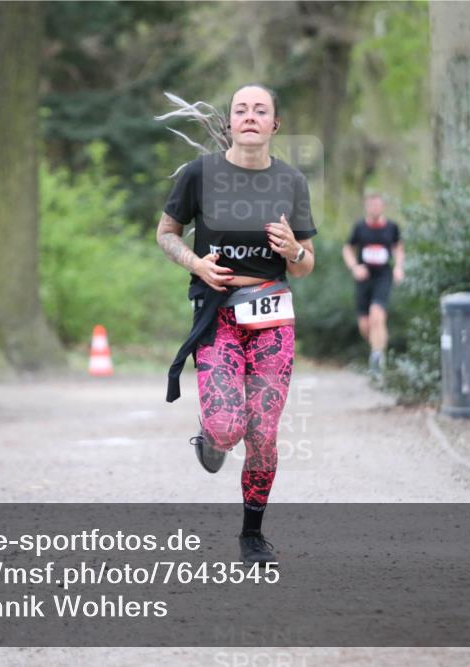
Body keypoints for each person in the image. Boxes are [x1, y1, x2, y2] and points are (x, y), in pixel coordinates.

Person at [155, 84, 316, 565]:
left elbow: (307, 264)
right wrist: (196, 265)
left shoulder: (291, 181)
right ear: (230, 123)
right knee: (229, 427)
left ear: (274, 124)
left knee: (263, 432)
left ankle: (252, 534)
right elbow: (166, 234)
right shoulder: (199, 174)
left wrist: (294, 251)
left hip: (271, 314)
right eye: (241, 109)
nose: (250, 116)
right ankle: (212, 433)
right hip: (218, 314)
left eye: (260, 109)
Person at [342, 193, 404, 378]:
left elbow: (398, 248)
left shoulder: (392, 227)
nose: (375, 208)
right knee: (366, 326)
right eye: (372, 205)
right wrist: (354, 267)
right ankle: (377, 347)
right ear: (367, 207)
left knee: (378, 315)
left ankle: (378, 358)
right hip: (364, 279)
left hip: (383, 276)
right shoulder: (360, 227)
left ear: (383, 206)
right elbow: (347, 249)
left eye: (378, 205)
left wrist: (399, 267)